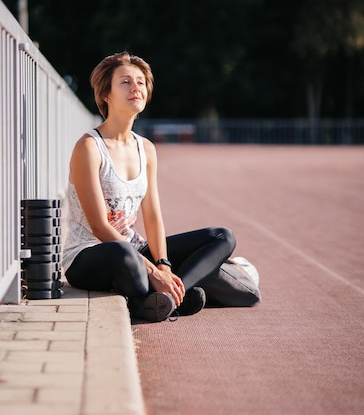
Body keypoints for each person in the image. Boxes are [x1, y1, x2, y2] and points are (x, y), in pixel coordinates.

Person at [63, 51, 237, 322]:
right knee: (123, 253)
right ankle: (157, 295)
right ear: (106, 94)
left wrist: (163, 265)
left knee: (221, 237)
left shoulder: (146, 148)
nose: (136, 88)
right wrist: (152, 271)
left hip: (132, 250)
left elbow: (153, 216)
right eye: (125, 82)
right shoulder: (89, 147)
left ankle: (170, 295)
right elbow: (99, 228)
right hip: (90, 255)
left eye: (141, 82)